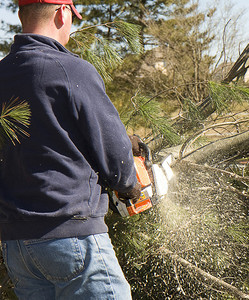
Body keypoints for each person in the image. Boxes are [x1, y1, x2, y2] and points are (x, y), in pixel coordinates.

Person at [0, 0, 141, 299]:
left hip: (17, 244)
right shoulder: (71, 69)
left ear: (22, 14)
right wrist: (130, 186)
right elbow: (115, 154)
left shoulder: (3, 74)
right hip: (71, 236)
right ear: (63, 13)